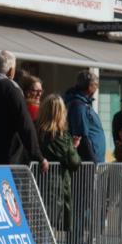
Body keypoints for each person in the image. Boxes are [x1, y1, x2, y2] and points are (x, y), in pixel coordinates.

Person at [36, 95, 81, 231]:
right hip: (54, 187)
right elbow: (74, 162)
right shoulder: (61, 135)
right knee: (48, 228)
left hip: (35, 182)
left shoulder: (35, 129)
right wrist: (73, 147)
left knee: (38, 226)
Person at [64, 70, 106, 164]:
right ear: (89, 86)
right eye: (96, 85)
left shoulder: (83, 104)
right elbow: (82, 137)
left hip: (93, 160)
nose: (97, 88)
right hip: (89, 163)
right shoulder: (79, 106)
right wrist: (93, 162)